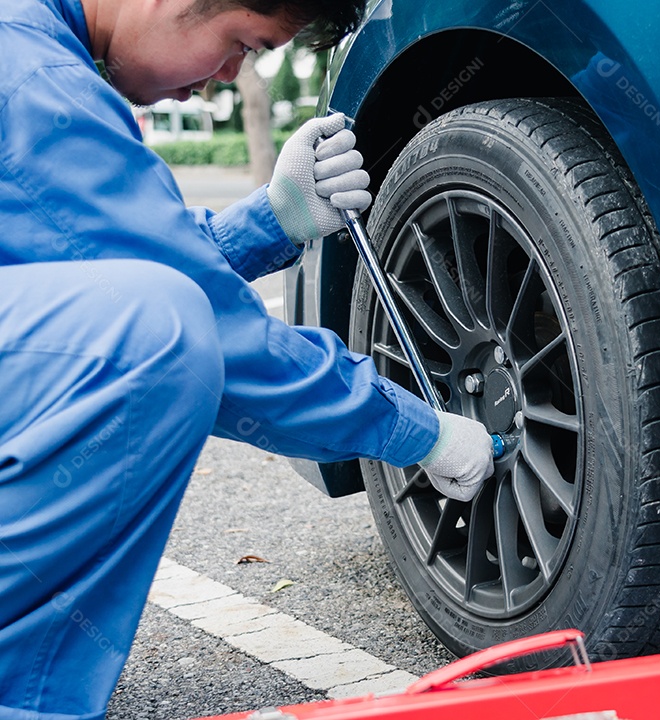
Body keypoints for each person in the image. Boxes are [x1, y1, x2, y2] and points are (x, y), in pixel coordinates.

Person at [0, 0, 494, 716]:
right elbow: (173, 323)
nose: (228, 77)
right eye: (239, 44)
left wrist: (271, 222)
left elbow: (92, 260)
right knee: (155, 336)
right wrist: (420, 430)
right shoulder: (32, 76)